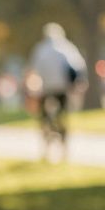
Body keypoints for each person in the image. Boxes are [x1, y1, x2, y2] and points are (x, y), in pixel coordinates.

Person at [27, 23, 86, 162]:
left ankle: (46, 146)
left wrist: (31, 89)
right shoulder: (67, 48)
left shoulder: (40, 49)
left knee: (44, 118)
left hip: (45, 88)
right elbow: (79, 66)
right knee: (62, 117)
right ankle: (64, 147)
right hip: (63, 88)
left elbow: (33, 70)